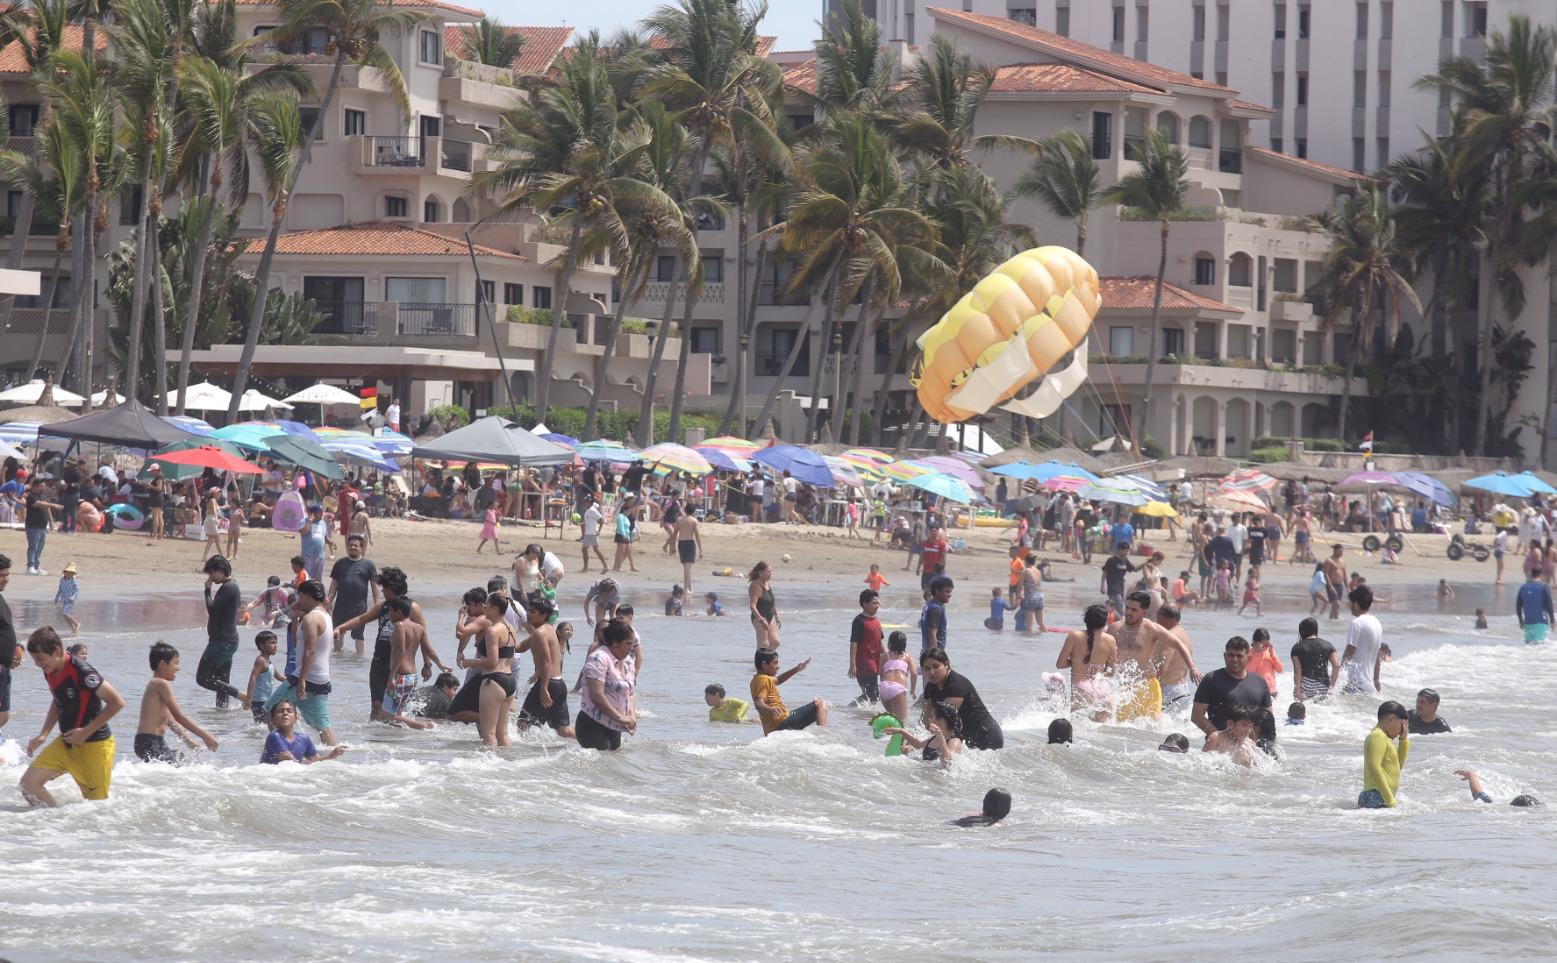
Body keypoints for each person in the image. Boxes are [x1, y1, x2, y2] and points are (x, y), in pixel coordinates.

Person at [19, 626, 124, 806]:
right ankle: (56, 825)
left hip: (95, 747)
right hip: (66, 743)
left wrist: (85, 731)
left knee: (96, 810)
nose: (38, 664)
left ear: (57, 651)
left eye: (40, 658)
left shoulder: (82, 671)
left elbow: (117, 702)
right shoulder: (49, 670)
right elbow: (58, 700)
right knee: (28, 786)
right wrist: (43, 734)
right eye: (35, 660)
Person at [264, 580, 337, 747]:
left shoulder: (312, 618)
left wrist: (302, 680)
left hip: (305, 677)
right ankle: (334, 757)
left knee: (271, 711)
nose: (299, 599)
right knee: (321, 727)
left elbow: (310, 651)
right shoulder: (324, 615)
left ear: (307, 596)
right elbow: (299, 644)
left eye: (300, 596)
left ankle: (283, 751)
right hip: (319, 679)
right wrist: (296, 618)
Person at [134, 642, 219, 763]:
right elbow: (179, 716)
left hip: (150, 742)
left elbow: (169, 719)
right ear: (163, 664)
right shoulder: (160, 683)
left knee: (179, 758)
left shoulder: (156, 684)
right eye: (175, 663)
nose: (178, 668)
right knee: (177, 765)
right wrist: (205, 736)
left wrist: (188, 741)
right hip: (150, 742)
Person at [920, 647, 1003, 750]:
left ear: (946, 664)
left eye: (936, 666)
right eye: (927, 668)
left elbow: (945, 724)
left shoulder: (957, 685)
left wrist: (922, 745)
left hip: (986, 736)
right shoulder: (931, 687)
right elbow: (925, 720)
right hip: (965, 736)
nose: (932, 672)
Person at [1191, 636, 1273, 738]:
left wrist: (1256, 743)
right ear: (1225, 656)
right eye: (1231, 655)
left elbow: (1268, 719)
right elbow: (1196, 716)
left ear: (1249, 657)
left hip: (1252, 748)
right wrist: (1222, 739)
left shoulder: (1260, 682)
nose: (1234, 659)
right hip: (1218, 751)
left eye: (1239, 656)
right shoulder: (1211, 679)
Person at [516, 593, 572, 738]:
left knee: (523, 725)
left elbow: (547, 662)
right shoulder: (548, 629)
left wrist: (543, 689)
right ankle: (590, 743)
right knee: (563, 731)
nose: (528, 614)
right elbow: (521, 647)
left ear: (543, 615)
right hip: (559, 685)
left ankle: (526, 757)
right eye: (528, 610)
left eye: (533, 612)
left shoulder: (540, 634)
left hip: (549, 685)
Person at [576, 618, 637, 750]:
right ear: (615, 643)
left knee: (612, 768)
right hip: (593, 724)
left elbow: (630, 693)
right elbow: (596, 695)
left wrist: (630, 716)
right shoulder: (598, 658)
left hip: (615, 726)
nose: (632, 648)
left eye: (633, 644)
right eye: (628, 643)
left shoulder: (628, 661)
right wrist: (620, 717)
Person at [379, 597, 434, 730]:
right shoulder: (419, 628)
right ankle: (398, 740)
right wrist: (431, 665)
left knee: (387, 714)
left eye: (391, 611)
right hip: (412, 677)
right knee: (398, 712)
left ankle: (423, 726)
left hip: (400, 676)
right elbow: (429, 649)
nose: (389, 614)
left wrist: (391, 677)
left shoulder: (399, 626)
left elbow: (400, 652)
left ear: (398, 611)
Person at [197, 555, 244, 708]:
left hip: (222, 642)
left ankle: (240, 695)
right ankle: (221, 713)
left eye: (212, 573)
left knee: (203, 678)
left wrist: (207, 591)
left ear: (221, 570)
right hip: (227, 640)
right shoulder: (231, 587)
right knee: (222, 681)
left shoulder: (229, 588)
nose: (210, 577)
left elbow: (212, 610)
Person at [1056, 603, 1116, 719]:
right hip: (1102, 689)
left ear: (1086, 620)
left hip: (1082, 689)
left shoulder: (1074, 636)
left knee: (1079, 728)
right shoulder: (1111, 640)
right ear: (1105, 622)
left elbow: (1060, 664)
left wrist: (1075, 662)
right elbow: (1111, 671)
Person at [751, 648, 828, 735]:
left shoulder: (761, 678)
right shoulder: (763, 679)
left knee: (819, 710)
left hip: (776, 727)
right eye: (775, 663)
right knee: (820, 704)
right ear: (764, 664)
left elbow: (778, 680)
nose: (778, 666)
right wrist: (771, 709)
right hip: (781, 723)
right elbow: (758, 703)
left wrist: (796, 669)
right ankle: (823, 736)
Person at [327, 534, 379, 655]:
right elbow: (334, 584)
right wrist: (329, 601)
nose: (353, 547)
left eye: (356, 545)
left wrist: (378, 605)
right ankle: (337, 655)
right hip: (341, 607)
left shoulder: (368, 565)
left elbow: (375, 586)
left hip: (359, 609)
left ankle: (360, 658)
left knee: (359, 636)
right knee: (338, 633)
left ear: (362, 548)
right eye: (350, 545)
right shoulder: (340, 564)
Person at [1332, 585, 1383, 694]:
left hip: (1356, 683)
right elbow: (1377, 655)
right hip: (1369, 685)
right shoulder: (1377, 623)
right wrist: (1376, 680)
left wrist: (1338, 676)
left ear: (1355, 604)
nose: (1349, 606)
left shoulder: (1357, 623)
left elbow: (1349, 651)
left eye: (1350, 603)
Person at [1359, 701, 1410, 808]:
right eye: (1402, 725)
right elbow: (1374, 767)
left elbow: (1397, 766)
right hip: (1376, 796)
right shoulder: (1378, 736)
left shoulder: (1383, 738)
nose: (1401, 731)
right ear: (1392, 719)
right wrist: (1390, 799)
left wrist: (1403, 740)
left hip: (1379, 795)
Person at [260, 700, 345, 764]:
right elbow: (287, 757)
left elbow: (315, 761)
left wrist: (332, 755)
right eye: (280, 711)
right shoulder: (274, 736)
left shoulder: (303, 739)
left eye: (289, 711)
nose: (285, 713)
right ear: (272, 719)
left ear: (296, 718)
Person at [882, 699, 962, 765]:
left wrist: (940, 737)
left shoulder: (954, 741)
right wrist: (901, 731)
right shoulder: (934, 738)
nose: (929, 720)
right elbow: (919, 745)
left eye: (932, 717)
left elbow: (947, 761)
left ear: (940, 720)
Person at [847, 588, 885, 706]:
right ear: (864, 604)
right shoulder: (859, 621)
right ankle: (863, 714)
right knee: (873, 696)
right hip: (864, 664)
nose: (877, 606)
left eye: (877, 603)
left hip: (875, 663)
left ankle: (850, 708)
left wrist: (887, 659)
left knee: (870, 695)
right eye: (874, 603)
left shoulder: (877, 621)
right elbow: (854, 643)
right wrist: (852, 665)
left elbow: (880, 643)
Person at [1290, 617, 1339, 702]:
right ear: (1316, 630)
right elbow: (1337, 666)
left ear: (1302, 631)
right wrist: (1331, 688)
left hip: (1306, 686)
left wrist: (1297, 690)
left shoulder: (1297, 647)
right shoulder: (1328, 645)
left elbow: (1297, 670)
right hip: (1323, 686)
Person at [241, 631, 285, 725]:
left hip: (266, 700)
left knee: (265, 725)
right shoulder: (260, 660)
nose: (276, 645)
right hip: (259, 700)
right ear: (261, 646)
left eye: (276, 642)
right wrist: (249, 698)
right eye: (272, 643)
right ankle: (257, 739)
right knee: (263, 725)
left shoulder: (269, 662)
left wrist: (298, 679)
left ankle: (259, 739)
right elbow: (252, 678)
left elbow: (280, 677)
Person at [878, 631, 917, 725]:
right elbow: (914, 674)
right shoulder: (907, 657)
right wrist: (913, 690)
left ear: (889, 644)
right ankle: (899, 739)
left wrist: (884, 687)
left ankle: (885, 738)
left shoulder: (884, 655)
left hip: (884, 687)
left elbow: (881, 673)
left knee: (892, 719)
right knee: (901, 722)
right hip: (898, 688)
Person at [24, 477, 61, 575]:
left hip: (42, 526)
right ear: (35, 486)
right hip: (33, 526)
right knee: (33, 546)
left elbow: (47, 507)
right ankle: (30, 566)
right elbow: (38, 504)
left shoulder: (43, 496)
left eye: (44, 486)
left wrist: (51, 521)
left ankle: (36, 566)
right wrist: (54, 505)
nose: (43, 488)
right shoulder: (31, 496)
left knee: (40, 547)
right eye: (41, 486)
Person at [1455, 770, 1540, 807]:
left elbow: (1478, 793)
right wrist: (1471, 775)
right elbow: (1478, 793)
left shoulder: (1493, 805)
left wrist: (1471, 775)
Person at [1515, 566, 1553, 644]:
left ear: (1531, 575)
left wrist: (1521, 621)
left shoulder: (1523, 587)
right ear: (1541, 575)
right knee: (1539, 646)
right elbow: (1549, 604)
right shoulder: (1544, 587)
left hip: (1528, 621)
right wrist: (1552, 620)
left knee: (1528, 645)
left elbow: (1518, 606)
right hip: (1541, 621)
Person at [1100, 543, 1138, 618]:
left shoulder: (1125, 560)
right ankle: (1120, 625)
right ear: (1120, 550)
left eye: (1128, 551)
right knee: (1120, 610)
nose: (1127, 552)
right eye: (1126, 551)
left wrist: (1146, 564)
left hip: (1121, 589)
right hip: (1113, 589)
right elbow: (1104, 573)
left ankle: (1110, 623)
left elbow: (1135, 569)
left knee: (1114, 609)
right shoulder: (1111, 560)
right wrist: (1102, 586)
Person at [748, 561, 781, 648]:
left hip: (770, 616)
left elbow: (772, 601)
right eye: (768, 571)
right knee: (763, 644)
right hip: (759, 617)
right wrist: (761, 619)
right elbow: (752, 606)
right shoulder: (755, 585)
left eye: (771, 571)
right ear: (760, 573)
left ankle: (767, 660)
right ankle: (760, 660)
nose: (771, 574)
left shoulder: (767, 584)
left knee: (775, 642)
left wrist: (777, 616)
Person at [919, 575, 952, 657]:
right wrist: (934, 656)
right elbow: (932, 633)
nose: (949, 595)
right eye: (947, 592)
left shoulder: (929, 605)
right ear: (937, 591)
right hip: (933, 652)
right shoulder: (936, 609)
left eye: (950, 592)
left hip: (926, 649)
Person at [1246, 628, 1283, 696]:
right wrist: (1257, 654)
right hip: (1256, 691)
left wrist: (1272, 654)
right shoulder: (1249, 653)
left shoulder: (1270, 651)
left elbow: (1280, 669)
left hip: (1272, 691)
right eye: (1262, 644)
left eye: (1267, 644)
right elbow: (1248, 673)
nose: (1265, 647)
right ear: (1254, 642)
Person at [674, 510, 702, 594]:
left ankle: (690, 587)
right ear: (693, 512)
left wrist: (672, 546)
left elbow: (674, 533)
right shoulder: (694, 521)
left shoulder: (679, 520)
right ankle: (686, 589)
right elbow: (697, 535)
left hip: (681, 543)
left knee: (686, 568)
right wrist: (701, 549)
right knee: (687, 568)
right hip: (690, 543)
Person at [579, 494, 607, 572]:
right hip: (590, 533)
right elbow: (588, 521)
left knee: (584, 550)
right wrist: (581, 524)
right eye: (584, 502)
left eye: (587, 502)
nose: (585, 503)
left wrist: (599, 531)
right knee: (596, 550)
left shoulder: (592, 510)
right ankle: (605, 566)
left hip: (591, 533)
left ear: (590, 503)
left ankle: (585, 568)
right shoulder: (588, 510)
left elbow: (601, 520)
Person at [1019, 555, 1046, 634]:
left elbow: (1020, 586)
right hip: (1040, 597)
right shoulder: (1038, 571)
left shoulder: (1025, 571)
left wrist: (1018, 597)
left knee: (1029, 626)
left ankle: (1028, 644)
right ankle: (1044, 636)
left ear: (1026, 562)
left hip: (1031, 597)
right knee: (1041, 624)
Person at [1322, 544, 1348, 620]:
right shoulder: (1328, 560)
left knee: (1335, 606)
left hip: (1340, 585)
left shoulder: (1342, 561)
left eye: (1342, 551)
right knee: (1337, 604)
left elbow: (1345, 576)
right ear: (1335, 551)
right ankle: (1336, 620)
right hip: (1332, 585)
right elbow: (1325, 574)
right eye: (1340, 551)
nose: (1342, 553)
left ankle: (1331, 621)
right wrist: (1330, 586)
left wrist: (1348, 588)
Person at [54, 561, 81, 635]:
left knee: (65, 613)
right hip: (64, 599)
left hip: (70, 599)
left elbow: (77, 590)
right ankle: (72, 628)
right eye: (68, 572)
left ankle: (77, 624)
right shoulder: (62, 580)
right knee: (65, 615)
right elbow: (60, 589)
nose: (69, 574)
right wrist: (56, 597)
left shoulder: (73, 580)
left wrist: (73, 597)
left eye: (71, 573)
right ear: (65, 572)